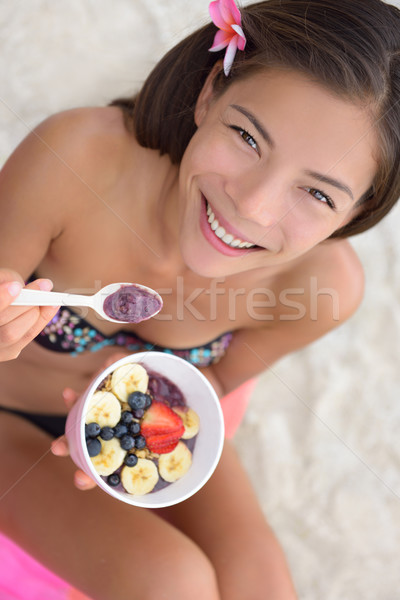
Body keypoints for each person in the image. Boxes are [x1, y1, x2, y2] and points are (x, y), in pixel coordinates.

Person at [0, 0, 399, 597]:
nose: (253, 206)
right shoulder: (75, 159)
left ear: (359, 211)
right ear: (211, 91)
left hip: (146, 419)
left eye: (316, 194)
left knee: (261, 584)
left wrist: (138, 421)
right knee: (173, 582)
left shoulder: (322, 291)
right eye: (246, 137)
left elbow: (211, 384)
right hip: (8, 421)